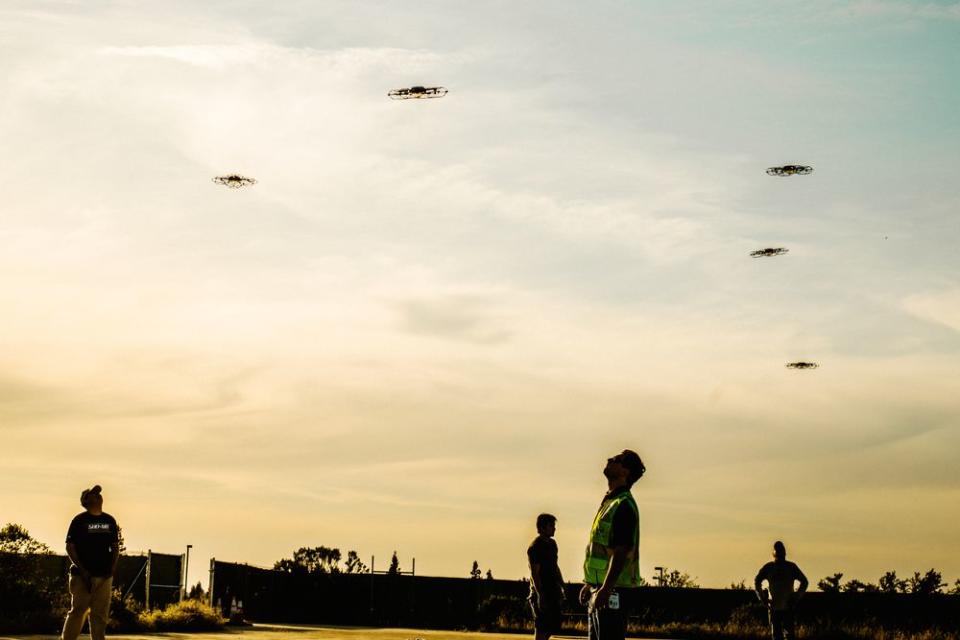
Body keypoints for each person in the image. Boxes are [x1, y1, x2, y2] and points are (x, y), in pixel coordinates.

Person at [579, 450, 645, 640]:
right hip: (601, 589)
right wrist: (591, 584)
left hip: (613, 591)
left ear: (625, 472)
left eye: (616, 460)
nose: (609, 459)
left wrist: (606, 589)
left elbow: (621, 551)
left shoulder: (623, 505)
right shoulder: (611, 502)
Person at [62, 485, 120, 640]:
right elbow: (70, 546)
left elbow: (115, 547)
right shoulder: (79, 520)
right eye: (93, 495)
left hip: (104, 576)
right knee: (78, 611)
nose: (98, 496)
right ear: (86, 501)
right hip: (82, 577)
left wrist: (111, 569)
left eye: (98, 494)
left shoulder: (109, 520)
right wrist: (82, 570)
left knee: (100, 615)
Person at [754, 541, 808, 640]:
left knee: (788, 635)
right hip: (774, 607)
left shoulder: (791, 567)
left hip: (787, 607)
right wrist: (762, 598)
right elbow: (757, 581)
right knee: (776, 635)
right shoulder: (769, 567)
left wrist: (796, 597)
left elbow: (804, 582)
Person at [527, 513, 565, 640]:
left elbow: (555, 566)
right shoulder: (535, 547)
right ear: (542, 528)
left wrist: (562, 584)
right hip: (541, 591)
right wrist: (540, 595)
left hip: (553, 590)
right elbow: (534, 574)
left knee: (554, 624)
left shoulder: (553, 545)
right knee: (541, 626)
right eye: (551, 526)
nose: (554, 528)